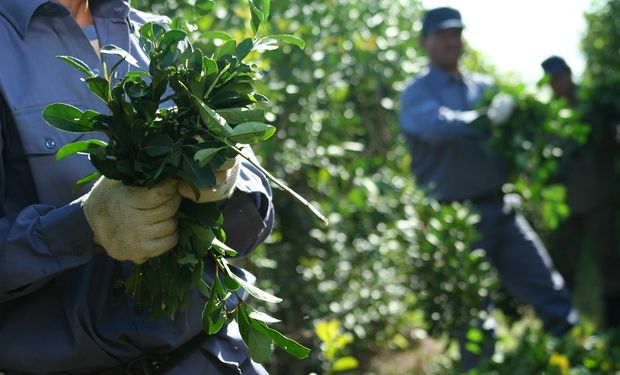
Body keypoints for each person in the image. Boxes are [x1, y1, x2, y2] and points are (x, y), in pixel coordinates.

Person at [0, 0, 274, 374]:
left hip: (212, 358)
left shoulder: (159, 37)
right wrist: (84, 226)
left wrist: (226, 183)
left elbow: (251, 223)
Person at [399, 7, 578, 370]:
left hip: (502, 208)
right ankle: (482, 368)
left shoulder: (486, 88)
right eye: (444, 34)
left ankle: (575, 355)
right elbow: (436, 126)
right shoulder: (417, 93)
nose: (453, 40)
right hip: (457, 218)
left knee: (547, 287)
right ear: (425, 42)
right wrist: (481, 120)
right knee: (474, 317)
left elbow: (516, 133)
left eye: (457, 33)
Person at [542, 55, 620, 329]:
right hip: (566, 203)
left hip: (599, 197)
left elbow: (612, 145)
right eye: (551, 79)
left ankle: (612, 320)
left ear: (569, 74)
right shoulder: (547, 116)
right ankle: (564, 321)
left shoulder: (595, 107)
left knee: (607, 259)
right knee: (564, 262)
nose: (557, 83)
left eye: (559, 76)